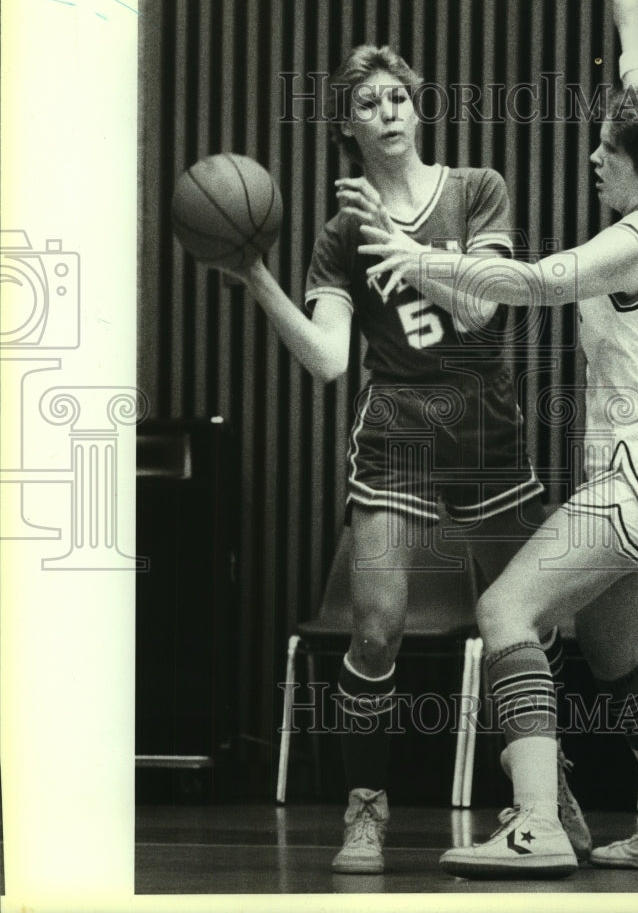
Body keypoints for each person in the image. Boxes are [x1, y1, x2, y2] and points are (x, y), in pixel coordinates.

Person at [359, 0, 638, 878]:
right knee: (610, 641)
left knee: (505, 607)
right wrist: (631, 40)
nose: (595, 153)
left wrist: (422, 256)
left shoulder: (628, 241)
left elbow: (530, 282)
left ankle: (535, 826)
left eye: (610, 149)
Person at [207, 45, 591, 872]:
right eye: (367, 103)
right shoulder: (340, 233)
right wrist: (258, 278)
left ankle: (543, 787)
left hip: (484, 421)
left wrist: (401, 244)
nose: (385, 111)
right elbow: (328, 360)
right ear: (347, 125)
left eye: (396, 98)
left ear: (418, 109)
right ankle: (364, 809)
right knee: (374, 630)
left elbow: (483, 315)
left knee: (527, 622)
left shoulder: (476, 188)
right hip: (396, 431)